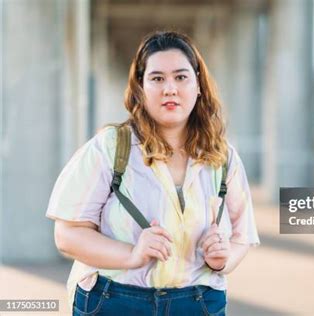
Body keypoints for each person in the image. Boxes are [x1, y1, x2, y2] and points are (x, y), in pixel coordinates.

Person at [46, 30, 259, 316]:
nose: (169, 88)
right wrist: (131, 254)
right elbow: (67, 234)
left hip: (199, 303)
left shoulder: (223, 156)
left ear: (198, 85)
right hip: (114, 301)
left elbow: (242, 237)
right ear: (140, 88)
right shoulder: (109, 148)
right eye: (157, 78)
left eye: (181, 77)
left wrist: (223, 259)